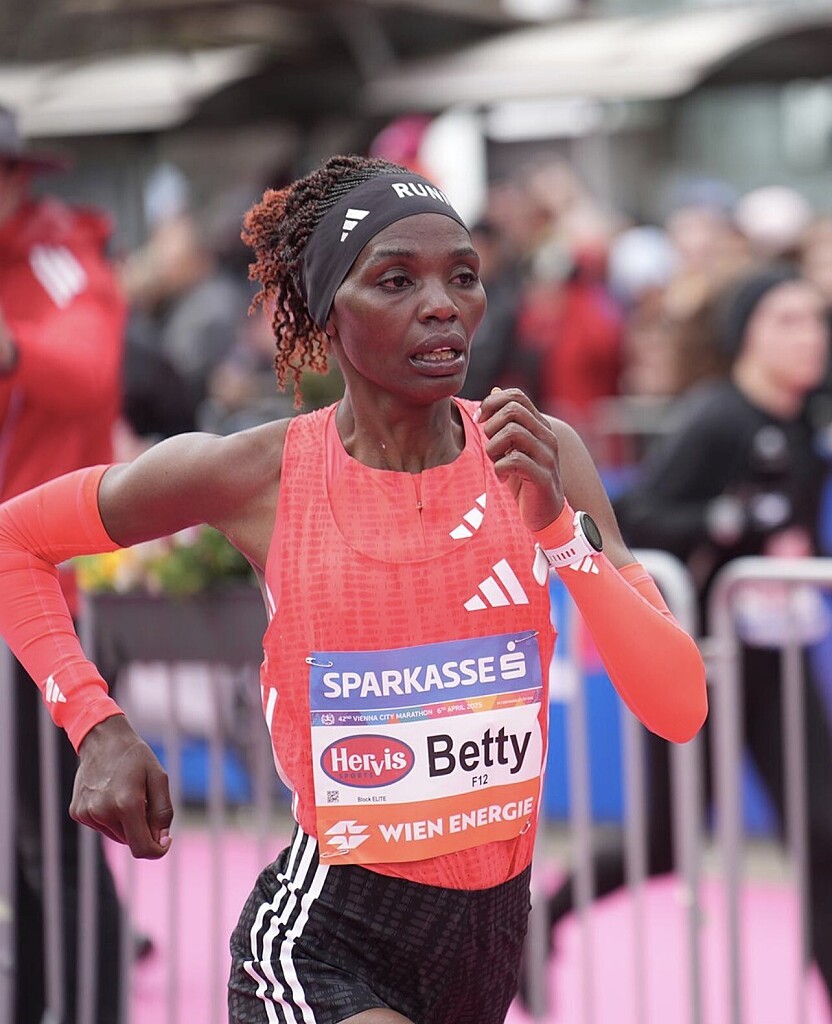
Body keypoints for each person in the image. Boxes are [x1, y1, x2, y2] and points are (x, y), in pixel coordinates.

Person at [0, 154, 707, 1024]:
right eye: (396, 280)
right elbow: (15, 539)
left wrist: (560, 531)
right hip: (323, 942)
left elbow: (679, 706)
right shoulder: (254, 473)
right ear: (327, 312)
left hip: (486, 948)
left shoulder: (539, 451)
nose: (442, 304)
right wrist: (95, 725)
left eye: (463, 276)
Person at [534, 264, 832, 1012]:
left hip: (775, 656)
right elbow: (641, 518)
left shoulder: (804, 420)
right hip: (698, 663)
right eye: (787, 321)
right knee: (663, 843)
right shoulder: (717, 419)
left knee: (825, 833)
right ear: (745, 336)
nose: (810, 337)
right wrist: (725, 522)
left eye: (816, 320)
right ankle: (538, 926)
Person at [0, 107, 126, 1021]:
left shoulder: (61, 259)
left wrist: (10, 348)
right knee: (19, 843)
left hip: (49, 599)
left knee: (58, 832)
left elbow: (88, 371)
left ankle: (93, 1004)